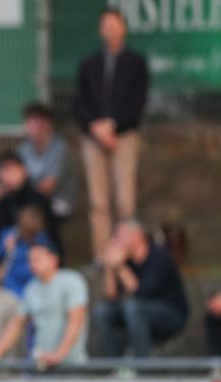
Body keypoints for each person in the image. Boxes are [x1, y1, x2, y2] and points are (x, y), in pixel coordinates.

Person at [74, 8, 150, 260]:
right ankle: (102, 254)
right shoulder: (88, 64)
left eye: (115, 25)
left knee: (125, 200)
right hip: (92, 137)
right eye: (106, 26)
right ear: (100, 30)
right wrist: (95, 127)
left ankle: (126, 252)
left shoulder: (136, 63)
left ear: (124, 28)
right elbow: (80, 102)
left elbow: (137, 102)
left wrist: (114, 126)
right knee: (98, 201)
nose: (111, 30)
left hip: (124, 136)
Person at [0, 242, 88, 369]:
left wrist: (59, 355)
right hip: (41, 364)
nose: (32, 264)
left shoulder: (71, 281)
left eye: (37, 259)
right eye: (30, 260)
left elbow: (76, 321)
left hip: (72, 365)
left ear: (54, 259)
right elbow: (16, 324)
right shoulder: (31, 287)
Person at [93, 220, 188, 358]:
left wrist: (120, 267)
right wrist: (110, 267)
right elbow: (111, 296)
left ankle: (142, 366)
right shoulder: (127, 260)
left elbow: (141, 293)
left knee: (132, 306)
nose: (115, 240)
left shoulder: (159, 256)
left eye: (119, 236)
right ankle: (113, 365)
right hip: (137, 312)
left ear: (137, 236)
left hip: (171, 315)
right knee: (102, 311)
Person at [0, 150, 62, 259]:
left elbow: (53, 241)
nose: (9, 175)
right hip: (8, 262)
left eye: (13, 170)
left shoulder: (40, 201)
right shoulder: (0, 205)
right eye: (5, 171)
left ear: (23, 171)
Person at [17, 102, 75, 220]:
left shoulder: (60, 148)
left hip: (58, 202)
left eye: (39, 123)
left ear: (48, 124)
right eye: (31, 123)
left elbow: (48, 187)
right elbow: (16, 178)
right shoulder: (23, 149)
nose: (35, 128)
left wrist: (19, 193)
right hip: (31, 198)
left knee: (26, 210)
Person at [0, 203, 54, 298]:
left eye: (31, 233)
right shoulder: (8, 234)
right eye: (25, 231)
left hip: (32, 282)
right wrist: (5, 248)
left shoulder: (41, 239)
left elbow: (48, 263)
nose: (27, 236)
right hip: (10, 281)